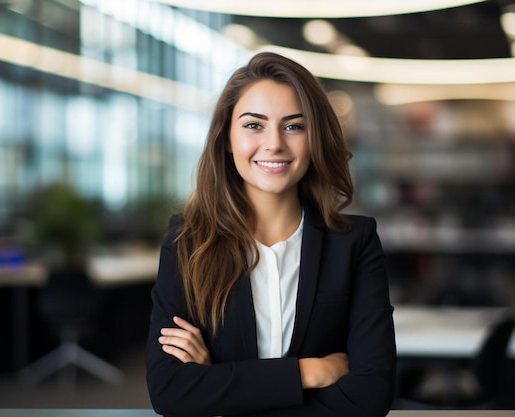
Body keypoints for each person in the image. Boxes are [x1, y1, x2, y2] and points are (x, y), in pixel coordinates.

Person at [146, 51, 396, 417]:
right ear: (227, 138)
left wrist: (218, 381)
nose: (274, 143)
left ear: (315, 138)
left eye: (294, 126)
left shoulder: (354, 243)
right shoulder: (189, 242)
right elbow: (169, 392)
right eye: (253, 125)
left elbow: (371, 395)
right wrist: (307, 372)